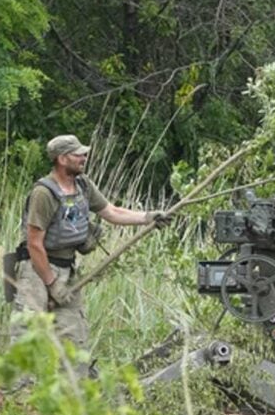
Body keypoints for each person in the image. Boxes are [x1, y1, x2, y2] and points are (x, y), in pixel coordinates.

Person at [10, 134, 170, 372]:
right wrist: (52, 283)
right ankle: (14, 396)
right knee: (26, 333)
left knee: (75, 336)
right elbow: (34, 244)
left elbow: (111, 212)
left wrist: (148, 218)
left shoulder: (83, 185)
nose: (84, 157)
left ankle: (73, 393)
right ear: (62, 159)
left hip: (67, 268)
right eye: (78, 154)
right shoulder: (43, 193)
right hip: (36, 270)